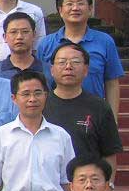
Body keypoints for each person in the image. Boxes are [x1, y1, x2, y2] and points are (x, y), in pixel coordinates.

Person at [37, 0, 125, 113]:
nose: (75, 8)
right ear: (60, 10)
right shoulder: (46, 44)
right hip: (54, 113)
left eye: (80, 3)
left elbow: (111, 82)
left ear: (90, 9)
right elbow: (40, 82)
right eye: (69, 4)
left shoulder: (105, 42)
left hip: (93, 113)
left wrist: (112, 119)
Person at [44, 42, 122, 177]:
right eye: (62, 62)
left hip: (86, 184)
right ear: (52, 70)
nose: (68, 67)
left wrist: (108, 185)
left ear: (86, 70)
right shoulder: (40, 104)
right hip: (48, 183)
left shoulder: (100, 107)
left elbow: (109, 153)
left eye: (75, 62)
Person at [0, 11, 45, 81]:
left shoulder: (50, 71)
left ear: (34, 35)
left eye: (25, 31)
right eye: (13, 32)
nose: (19, 37)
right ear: (5, 37)